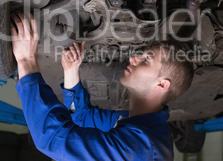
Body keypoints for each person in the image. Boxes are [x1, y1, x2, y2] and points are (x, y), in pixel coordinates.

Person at [12, 12, 194, 160]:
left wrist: (26, 61)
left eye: (146, 60)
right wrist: (71, 72)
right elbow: (82, 118)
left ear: (161, 84)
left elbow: (52, 140)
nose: (133, 58)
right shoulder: (136, 124)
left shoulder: (140, 149)